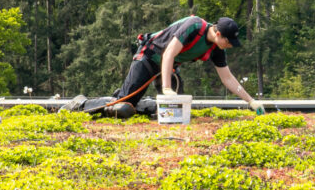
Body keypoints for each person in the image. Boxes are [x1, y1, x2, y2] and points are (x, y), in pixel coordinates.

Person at [65, 15, 265, 118]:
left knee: (177, 112)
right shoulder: (194, 25)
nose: (229, 47)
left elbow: (227, 78)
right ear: (219, 34)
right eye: (229, 42)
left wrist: (250, 101)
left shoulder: (217, 48)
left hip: (169, 68)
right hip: (149, 58)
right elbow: (169, 52)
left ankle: (146, 104)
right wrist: (167, 89)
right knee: (122, 106)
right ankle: (81, 103)